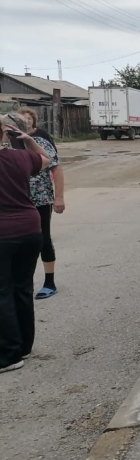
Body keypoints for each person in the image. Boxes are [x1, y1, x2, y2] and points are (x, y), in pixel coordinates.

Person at [0, 114, 51, 373]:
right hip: (30, 229)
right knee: (21, 288)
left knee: (2, 292)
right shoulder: (22, 157)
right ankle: (23, 347)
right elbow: (47, 159)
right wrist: (30, 140)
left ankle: (8, 355)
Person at [17, 108, 65, 299]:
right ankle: (21, 282)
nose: (26, 122)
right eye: (22, 119)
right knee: (17, 241)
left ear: (34, 122)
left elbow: (57, 169)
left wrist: (59, 197)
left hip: (41, 197)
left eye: (29, 119)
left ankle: (49, 281)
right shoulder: (9, 142)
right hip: (16, 198)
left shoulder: (41, 141)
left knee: (42, 238)